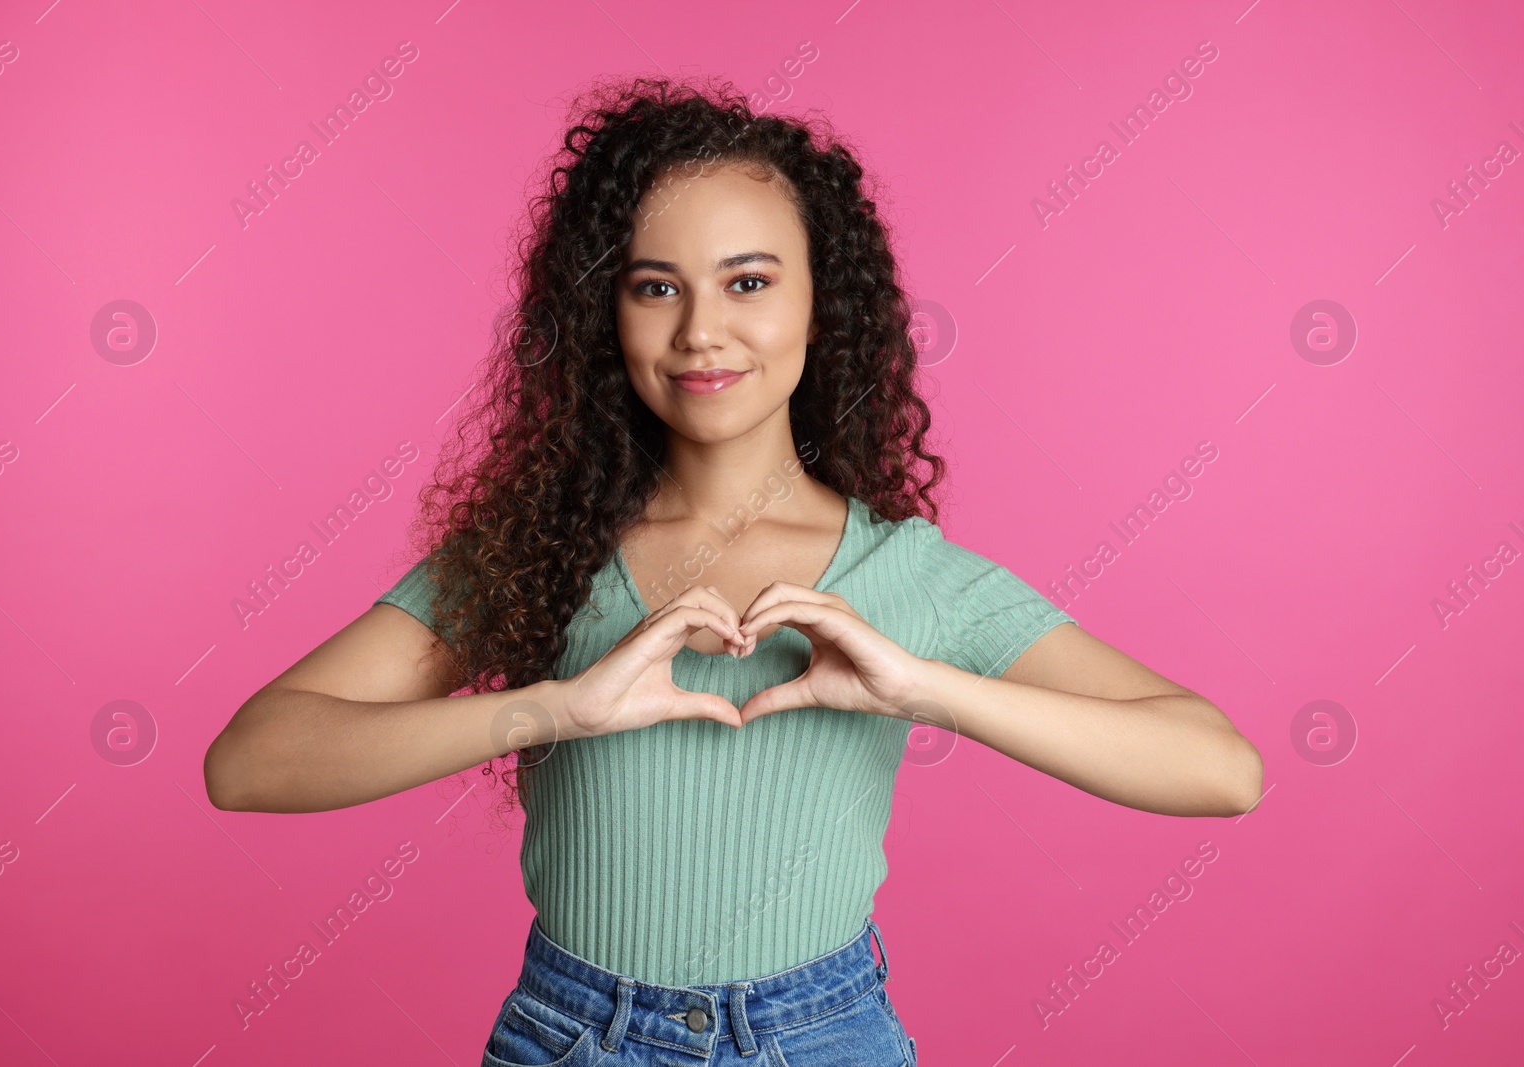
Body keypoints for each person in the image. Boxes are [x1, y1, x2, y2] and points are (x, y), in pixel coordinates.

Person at [203, 74, 1263, 1066]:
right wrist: (555, 710)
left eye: (747, 281)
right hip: (573, 1032)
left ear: (819, 303)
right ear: (599, 314)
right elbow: (248, 761)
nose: (701, 330)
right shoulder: (538, 551)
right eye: (654, 286)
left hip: (823, 1033)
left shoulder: (910, 575)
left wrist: (925, 688)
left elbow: (1220, 769)